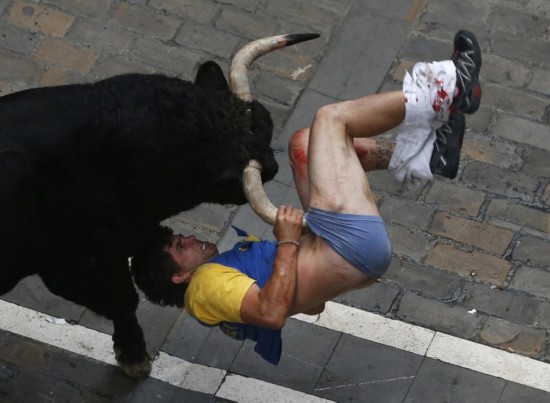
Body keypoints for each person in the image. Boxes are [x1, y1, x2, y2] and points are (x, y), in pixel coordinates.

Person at [131, 30, 482, 364]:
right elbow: (271, 313)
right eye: (180, 247)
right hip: (348, 247)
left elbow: (312, 306)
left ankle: (431, 156)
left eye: (180, 238)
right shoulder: (204, 288)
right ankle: (448, 88)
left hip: (339, 248)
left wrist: (304, 263)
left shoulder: (221, 281)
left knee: (304, 145)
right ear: (180, 277)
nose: (189, 238)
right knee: (330, 119)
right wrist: (286, 243)